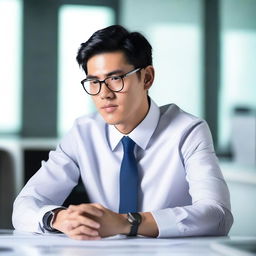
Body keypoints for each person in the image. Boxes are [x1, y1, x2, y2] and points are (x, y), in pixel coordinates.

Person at [12, 25, 233, 240]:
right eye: (93, 82)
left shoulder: (187, 131)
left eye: (115, 79)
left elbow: (218, 215)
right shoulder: (83, 132)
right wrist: (60, 218)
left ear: (147, 78)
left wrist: (127, 223)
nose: (104, 94)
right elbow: (25, 205)